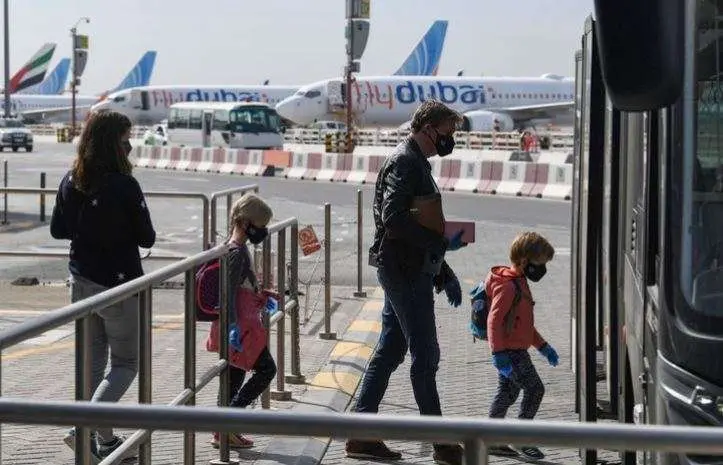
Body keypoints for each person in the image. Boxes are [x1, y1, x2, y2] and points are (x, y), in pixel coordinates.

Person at [345, 100, 467, 465]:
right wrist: (439, 246)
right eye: (448, 132)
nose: (451, 139)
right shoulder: (406, 162)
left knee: (391, 350)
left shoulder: (415, 162)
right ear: (428, 127)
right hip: (404, 271)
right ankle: (442, 443)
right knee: (425, 355)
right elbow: (394, 219)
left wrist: (442, 269)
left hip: (409, 268)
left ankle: (361, 435)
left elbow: (417, 220)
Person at [50, 110, 156, 462]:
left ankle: (104, 441)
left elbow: (58, 230)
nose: (130, 146)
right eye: (126, 139)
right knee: (126, 364)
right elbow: (147, 237)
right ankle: (83, 429)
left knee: (93, 364)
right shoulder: (124, 185)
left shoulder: (71, 179)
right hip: (118, 286)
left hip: (80, 281)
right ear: (114, 142)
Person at [208, 193, 277, 449]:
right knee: (267, 370)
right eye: (260, 226)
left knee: (233, 377)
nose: (262, 231)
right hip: (240, 328)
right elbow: (227, 291)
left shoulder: (234, 246)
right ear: (247, 223)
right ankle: (228, 423)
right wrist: (233, 325)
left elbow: (240, 287)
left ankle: (223, 430)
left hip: (239, 326)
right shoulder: (236, 252)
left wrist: (263, 294)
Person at [485, 231, 558, 460]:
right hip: (510, 354)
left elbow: (523, 326)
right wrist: (498, 354)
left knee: (506, 394)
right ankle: (520, 438)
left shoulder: (520, 282)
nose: (543, 270)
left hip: (515, 350)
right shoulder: (509, 287)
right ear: (525, 261)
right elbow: (494, 321)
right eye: (541, 264)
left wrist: (543, 346)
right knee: (535, 389)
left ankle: (490, 439)